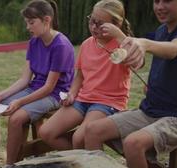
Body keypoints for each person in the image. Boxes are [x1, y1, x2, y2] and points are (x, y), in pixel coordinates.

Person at [84, 0, 177, 168]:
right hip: (150, 110)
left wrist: (144, 44)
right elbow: (156, 65)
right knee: (92, 131)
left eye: (167, 1)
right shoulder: (161, 31)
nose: (160, 7)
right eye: (156, 1)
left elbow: (174, 49)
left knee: (133, 143)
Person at [0, 0, 74, 168]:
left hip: (54, 95)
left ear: (47, 20)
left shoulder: (61, 45)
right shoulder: (34, 41)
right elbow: (25, 79)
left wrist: (19, 102)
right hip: (34, 88)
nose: (28, 27)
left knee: (16, 119)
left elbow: (49, 88)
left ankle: (9, 167)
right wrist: (1, 95)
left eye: (32, 23)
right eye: (26, 23)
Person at [38, 0, 132, 150]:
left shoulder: (124, 45)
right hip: (83, 99)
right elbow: (80, 76)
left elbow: (138, 64)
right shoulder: (87, 44)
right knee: (46, 132)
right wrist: (72, 94)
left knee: (79, 138)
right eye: (92, 21)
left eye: (100, 24)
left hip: (108, 103)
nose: (94, 27)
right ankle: (78, 162)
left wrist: (120, 36)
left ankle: (88, 167)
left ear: (116, 25)